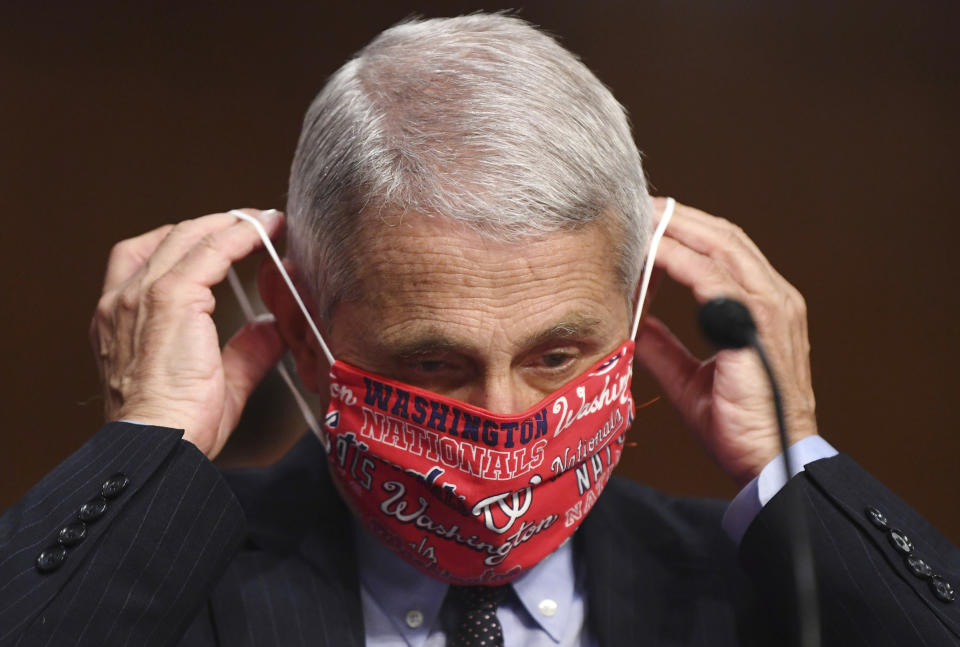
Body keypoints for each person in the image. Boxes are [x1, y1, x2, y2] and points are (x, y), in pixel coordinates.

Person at [1, 13, 957, 647]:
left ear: (630, 319)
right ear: (299, 327)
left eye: (557, 354)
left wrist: (792, 463)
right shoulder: (159, 586)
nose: (505, 421)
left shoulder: (770, 589)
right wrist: (146, 443)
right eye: (434, 360)